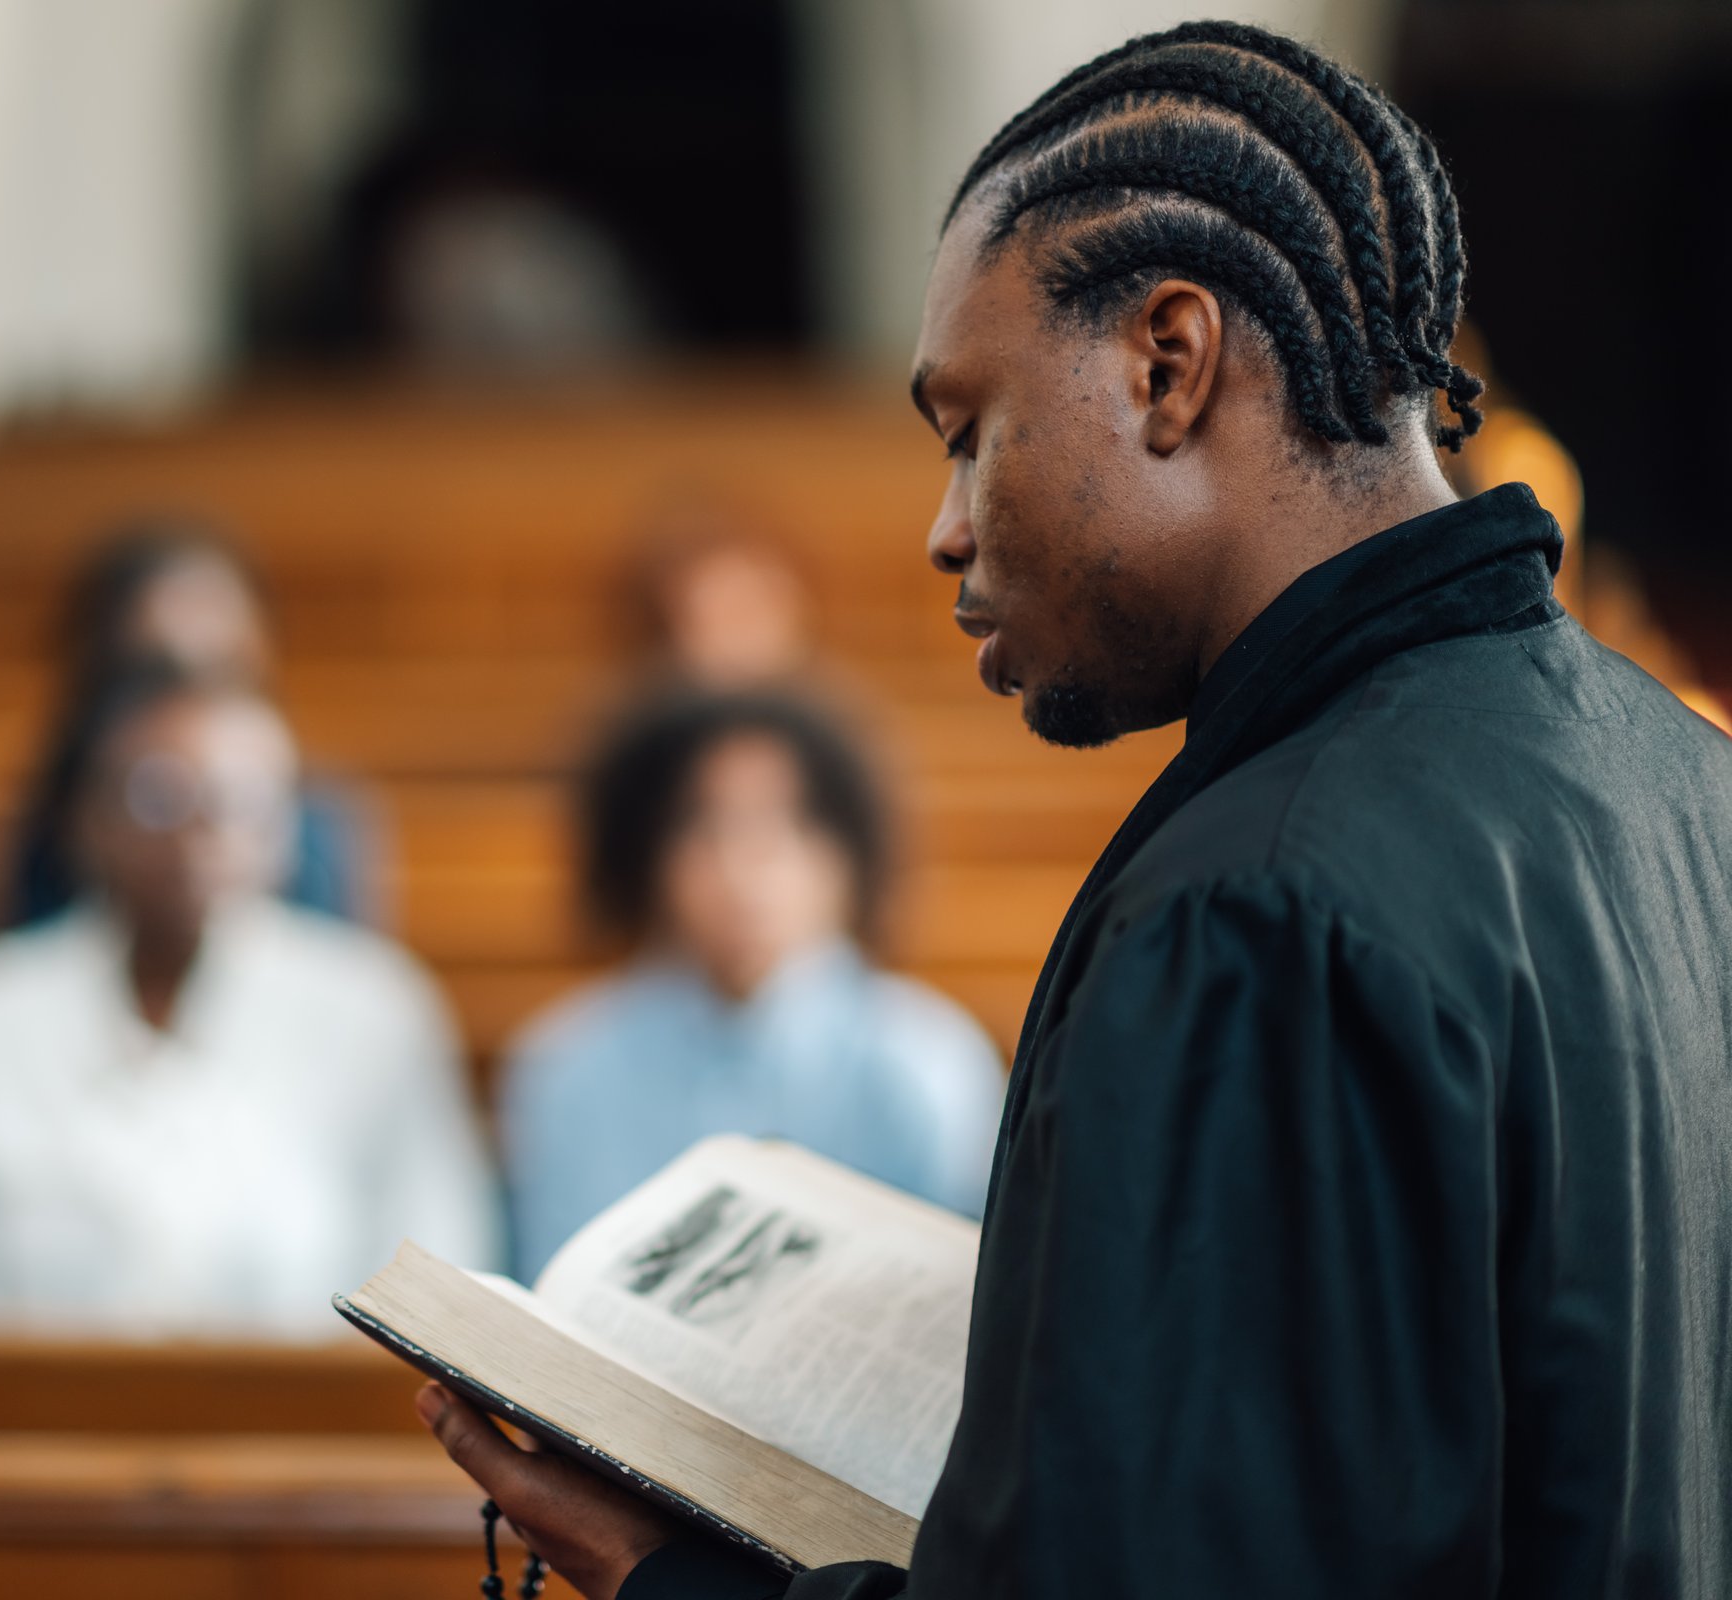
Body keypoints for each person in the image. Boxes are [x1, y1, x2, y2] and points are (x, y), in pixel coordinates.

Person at [415, 20, 1732, 1599]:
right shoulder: (1685, 779)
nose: (945, 530)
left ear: (1167, 363)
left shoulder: (1253, 910)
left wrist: (663, 1575)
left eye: (972, 431)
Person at [0, 658, 497, 1337]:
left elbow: (437, 1294)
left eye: (243, 801)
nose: (200, 829)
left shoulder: (378, 1014)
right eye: (158, 796)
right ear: (87, 816)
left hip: (299, 1437)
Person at [500, 688, 1001, 1276]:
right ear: (645, 854)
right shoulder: (568, 1064)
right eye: (703, 828)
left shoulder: (926, 1058)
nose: (743, 866)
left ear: (849, 852)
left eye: (788, 823)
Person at [5, 517, 382, 927]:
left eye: (224, 668)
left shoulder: (318, 823)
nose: (190, 695)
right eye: (156, 672)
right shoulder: (47, 823)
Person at [628, 500, 816, 691]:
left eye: (766, 601)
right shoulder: (650, 710)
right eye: (727, 612)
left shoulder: (824, 701)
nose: (747, 626)